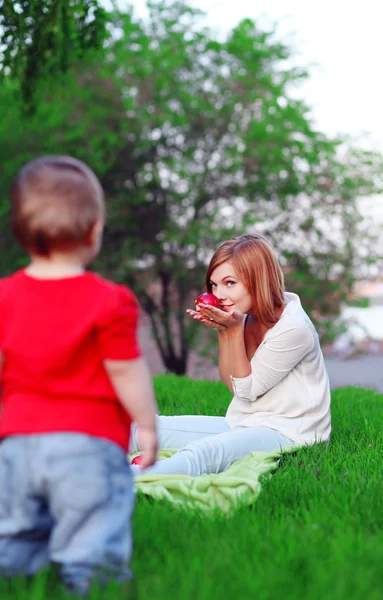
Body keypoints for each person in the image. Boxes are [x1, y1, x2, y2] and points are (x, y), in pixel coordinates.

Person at [0, 155, 158, 596]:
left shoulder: (4, 298)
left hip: (16, 446)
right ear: (93, 233)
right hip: (88, 447)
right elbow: (126, 369)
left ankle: (16, 579)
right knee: (92, 545)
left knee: (15, 535)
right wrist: (146, 424)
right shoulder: (110, 301)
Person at [130, 234, 331, 478]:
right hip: (247, 422)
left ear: (259, 279)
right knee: (150, 428)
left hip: (290, 433)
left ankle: (129, 478)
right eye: (214, 285)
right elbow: (232, 383)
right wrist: (224, 330)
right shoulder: (244, 316)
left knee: (203, 452)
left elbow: (247, 390)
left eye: (229, 283)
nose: (219, 294)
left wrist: (232, 330)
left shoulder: (294, 328)